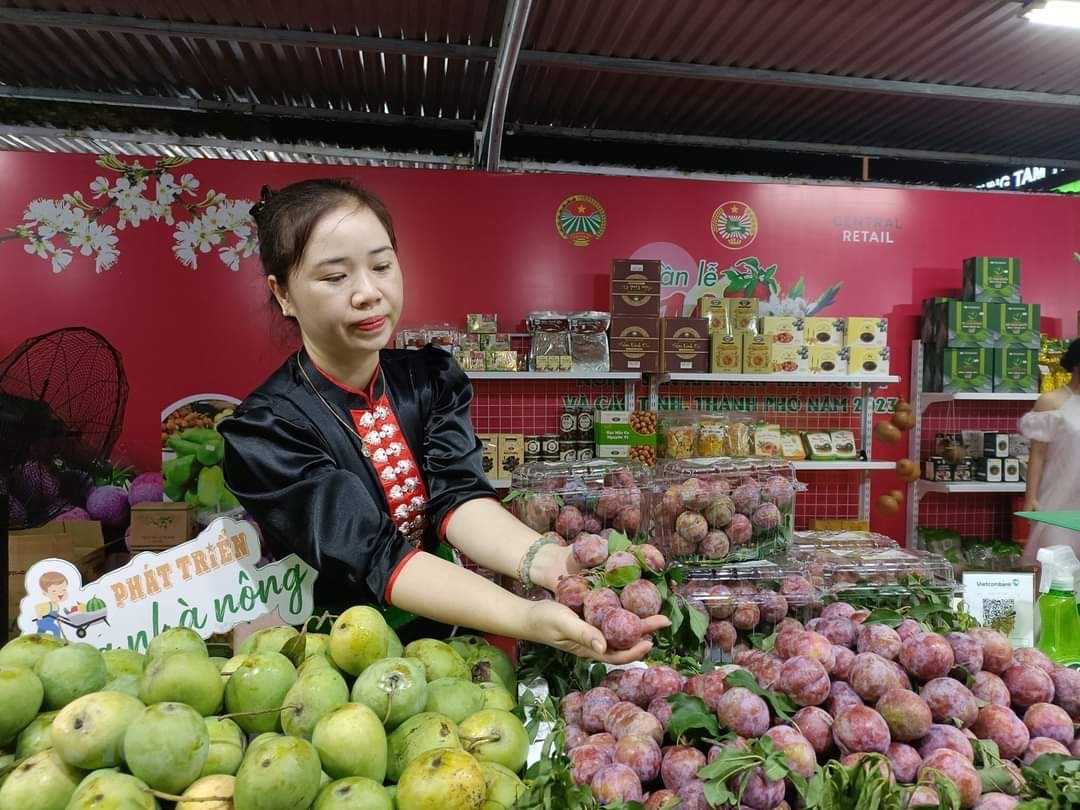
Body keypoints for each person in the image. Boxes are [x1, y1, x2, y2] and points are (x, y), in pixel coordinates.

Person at [218, 178, 667, 663]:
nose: (368, 292)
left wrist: (554, 562)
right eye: (335, 277)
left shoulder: (427, 379)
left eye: (381, 265)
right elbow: (372, 552)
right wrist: (525, 617)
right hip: (333, 656)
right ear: (283, 293)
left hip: (446, 632)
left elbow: (459, 497)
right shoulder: (267, 430)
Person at [1020, 338, 1080, 562]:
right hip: (1058, 498)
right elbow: (1037, 454)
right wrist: (1031, 498)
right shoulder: (1051, 402)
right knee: (1056, 563)